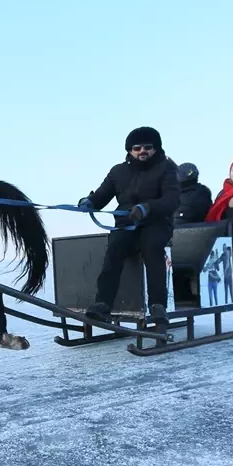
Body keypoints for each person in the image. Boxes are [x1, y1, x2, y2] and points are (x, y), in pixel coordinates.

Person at [79, 126, 179, 330]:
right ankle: (103, 303)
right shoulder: (118, 171)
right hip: (126, 224)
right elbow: (101, 197)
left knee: (152, 248)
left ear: (156, 148)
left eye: (147, 147)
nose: (142, 151)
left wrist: (147, 208)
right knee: (114, 251)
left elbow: (172, 200)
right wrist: (88, 202)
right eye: (137, 147)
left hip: (156, 222)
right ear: (129, 150)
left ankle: (158, 306)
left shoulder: (167, 168)